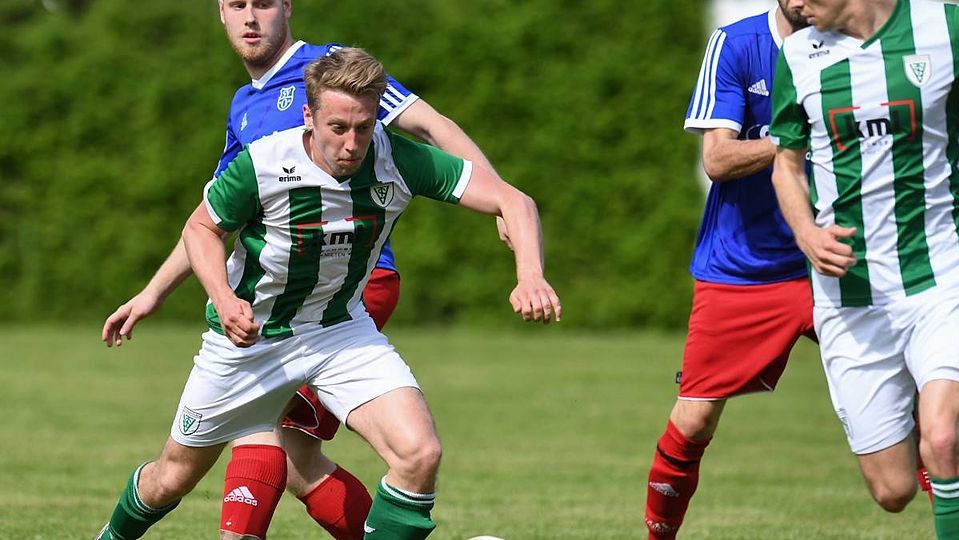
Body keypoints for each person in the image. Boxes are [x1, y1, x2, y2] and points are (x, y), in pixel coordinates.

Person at [95, 46, 561, 540]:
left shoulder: (396, 159)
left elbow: (514, 201)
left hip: (340, 332)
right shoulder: (264, 163)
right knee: (170, 478)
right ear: (308, 116)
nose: (352, 143)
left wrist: (530, 274)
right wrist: (224, 299)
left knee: (419, 453)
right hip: (250, 342)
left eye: (364, 127)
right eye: (338, 127)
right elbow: (201, 228)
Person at [769, 0, 959, 537]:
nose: (793, 5)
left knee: (943, 437)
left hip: (941, 274)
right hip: (850, 296)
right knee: (892, 489)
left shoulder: (946, 27)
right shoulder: (798, 55)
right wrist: (806, 233)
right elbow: (786, 164)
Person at [642, 2, 815, 538]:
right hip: (744, 267)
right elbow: (717, 159)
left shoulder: (859, 47)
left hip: (833, 259)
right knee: (694, 418)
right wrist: (792, 137)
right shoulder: (738, 44)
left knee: (925, 401)